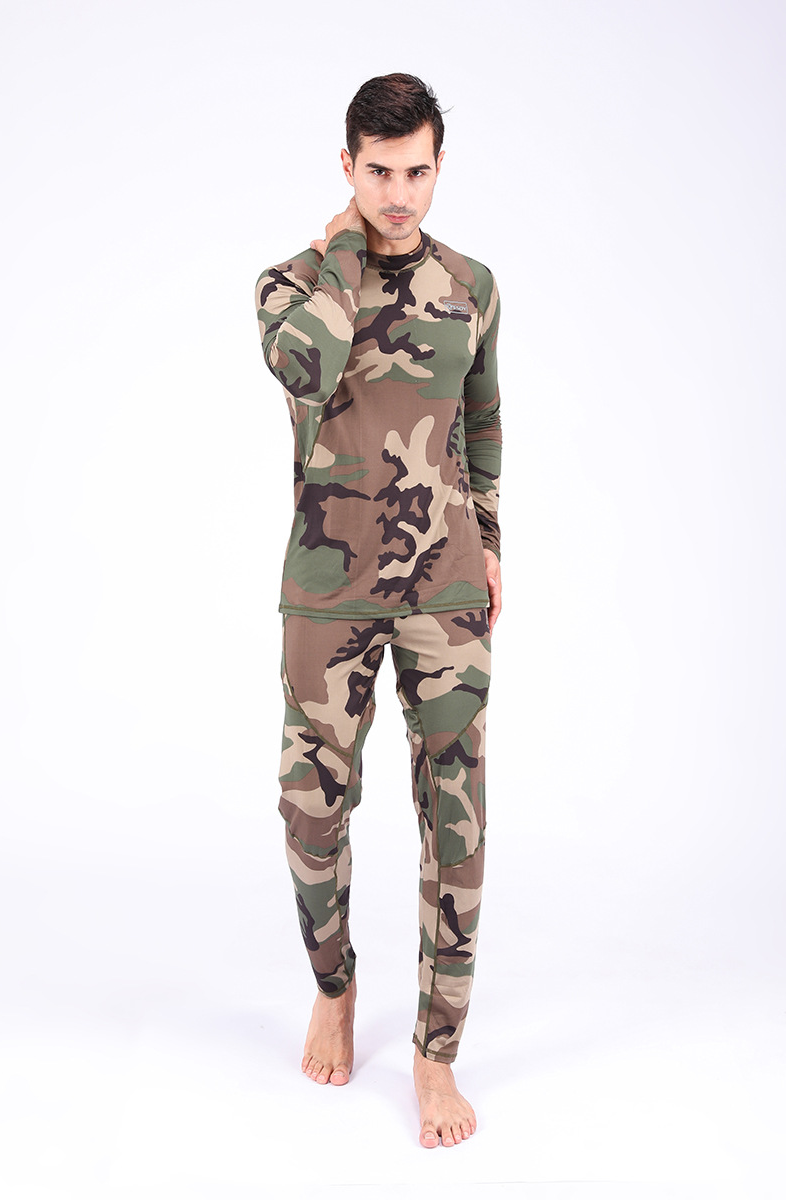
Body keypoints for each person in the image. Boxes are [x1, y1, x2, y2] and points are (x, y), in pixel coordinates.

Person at [255, 73, 502, 1149]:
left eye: (417, 172)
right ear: (347, 168)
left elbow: (481, 423)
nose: (400, 195)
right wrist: (343, 250)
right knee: (309, 806)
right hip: (328, 586)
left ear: (439, 167)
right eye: (379, 172)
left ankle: (435, 1053)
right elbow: (306, 366)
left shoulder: (472, 286)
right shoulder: (292, 285)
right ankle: (334, 984)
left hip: (445, 587)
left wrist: (490, 541)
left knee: (455, 813)